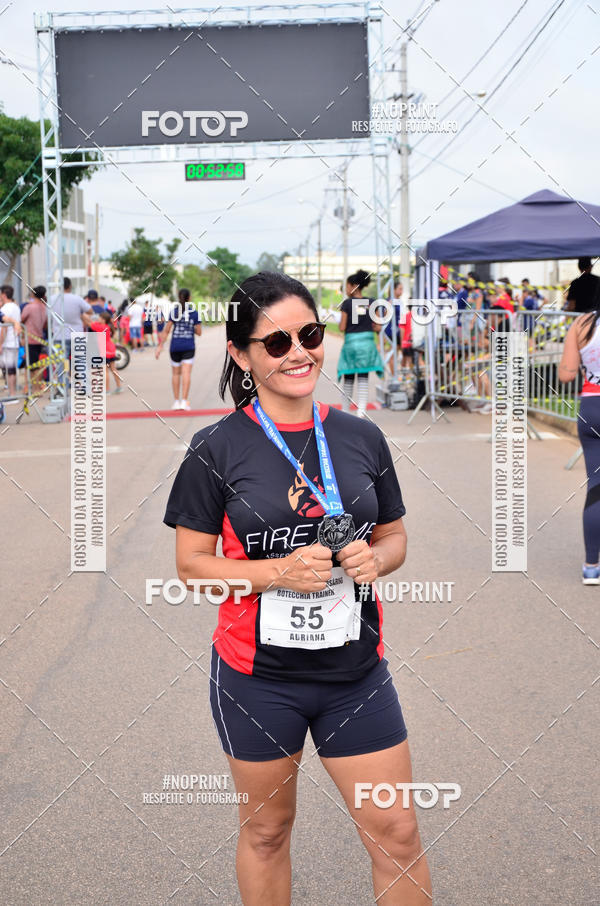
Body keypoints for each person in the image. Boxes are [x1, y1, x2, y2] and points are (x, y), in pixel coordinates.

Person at [164, 271, 432, 906]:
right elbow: (191, 566)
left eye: (309, 335)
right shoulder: (215, 448)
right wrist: (273, 573)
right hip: (258, 680)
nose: (298, 353)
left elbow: (394, 537)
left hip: (356, 674)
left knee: (397, 832)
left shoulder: (361, 436)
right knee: (267, 832)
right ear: (241, 355)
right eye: (276, 342)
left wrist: (377, 559)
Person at [559, 305, 600, 583]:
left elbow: (566, 375)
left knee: (596, 486)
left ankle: (591, 566)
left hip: (592, 408)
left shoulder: (582, 324)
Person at [337, 269, 384, 418]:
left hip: (351, 345)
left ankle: (345, 411)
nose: (346, 289)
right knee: (363, 376)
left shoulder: (347, 304)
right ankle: (361, 411)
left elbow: (342, 327)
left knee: (348, 376)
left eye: (347, 286)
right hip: (367, 345)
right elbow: (378, 327)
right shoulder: (372, 303)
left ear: (354, 286)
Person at [155, 288, 201, 410]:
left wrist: (160, 347)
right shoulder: (194, 313)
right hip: (188, 346)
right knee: (186, 373)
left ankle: (176, 402)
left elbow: (166, 330)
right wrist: (190, 327)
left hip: (175, 346)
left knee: (175, 373)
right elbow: (199, 332)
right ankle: (184, 402)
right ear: (189, 298)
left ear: (179, 297)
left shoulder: (174, 312)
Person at [49, 277, 93, 367]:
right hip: (77, 334)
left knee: (61, 365)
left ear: (59, 286)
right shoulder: (77, 299)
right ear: (70, 286)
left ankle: (64, 376)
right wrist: (80, 312)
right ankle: (79, 377)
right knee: (80, 364)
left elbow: (48, 316)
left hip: (59, 335)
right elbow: (90, 311)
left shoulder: (52, 299)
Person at [21, 286, 48, 394]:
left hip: (30, 339)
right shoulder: (44, 307)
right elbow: (45, 324)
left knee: (32, 366)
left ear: (33, 294)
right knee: (36, 365)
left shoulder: (29, 307)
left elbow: (21, 319)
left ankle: (35, 389)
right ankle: (35, 388)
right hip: (40, 339)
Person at [89, 310, 122, 394]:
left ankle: (107, 390)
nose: (98, 319)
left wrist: (82, 315)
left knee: (105, 370)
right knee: (113, 369)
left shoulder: (101, 327)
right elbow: (94, 323)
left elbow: (90, 324)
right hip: (111, 349)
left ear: (103, 319)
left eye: (99, 318)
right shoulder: (107, 326)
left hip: (105, 350)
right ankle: (119, 386)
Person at [0, 284, 22, 396]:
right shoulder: (16, 307)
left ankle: (12, 394)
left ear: (4, 295)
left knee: (9, 371)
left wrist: (0, 344)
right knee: (12, 370)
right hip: (14, 342)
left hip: (7, 343)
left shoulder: (5, 309)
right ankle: (13, 394)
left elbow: (4, 328)